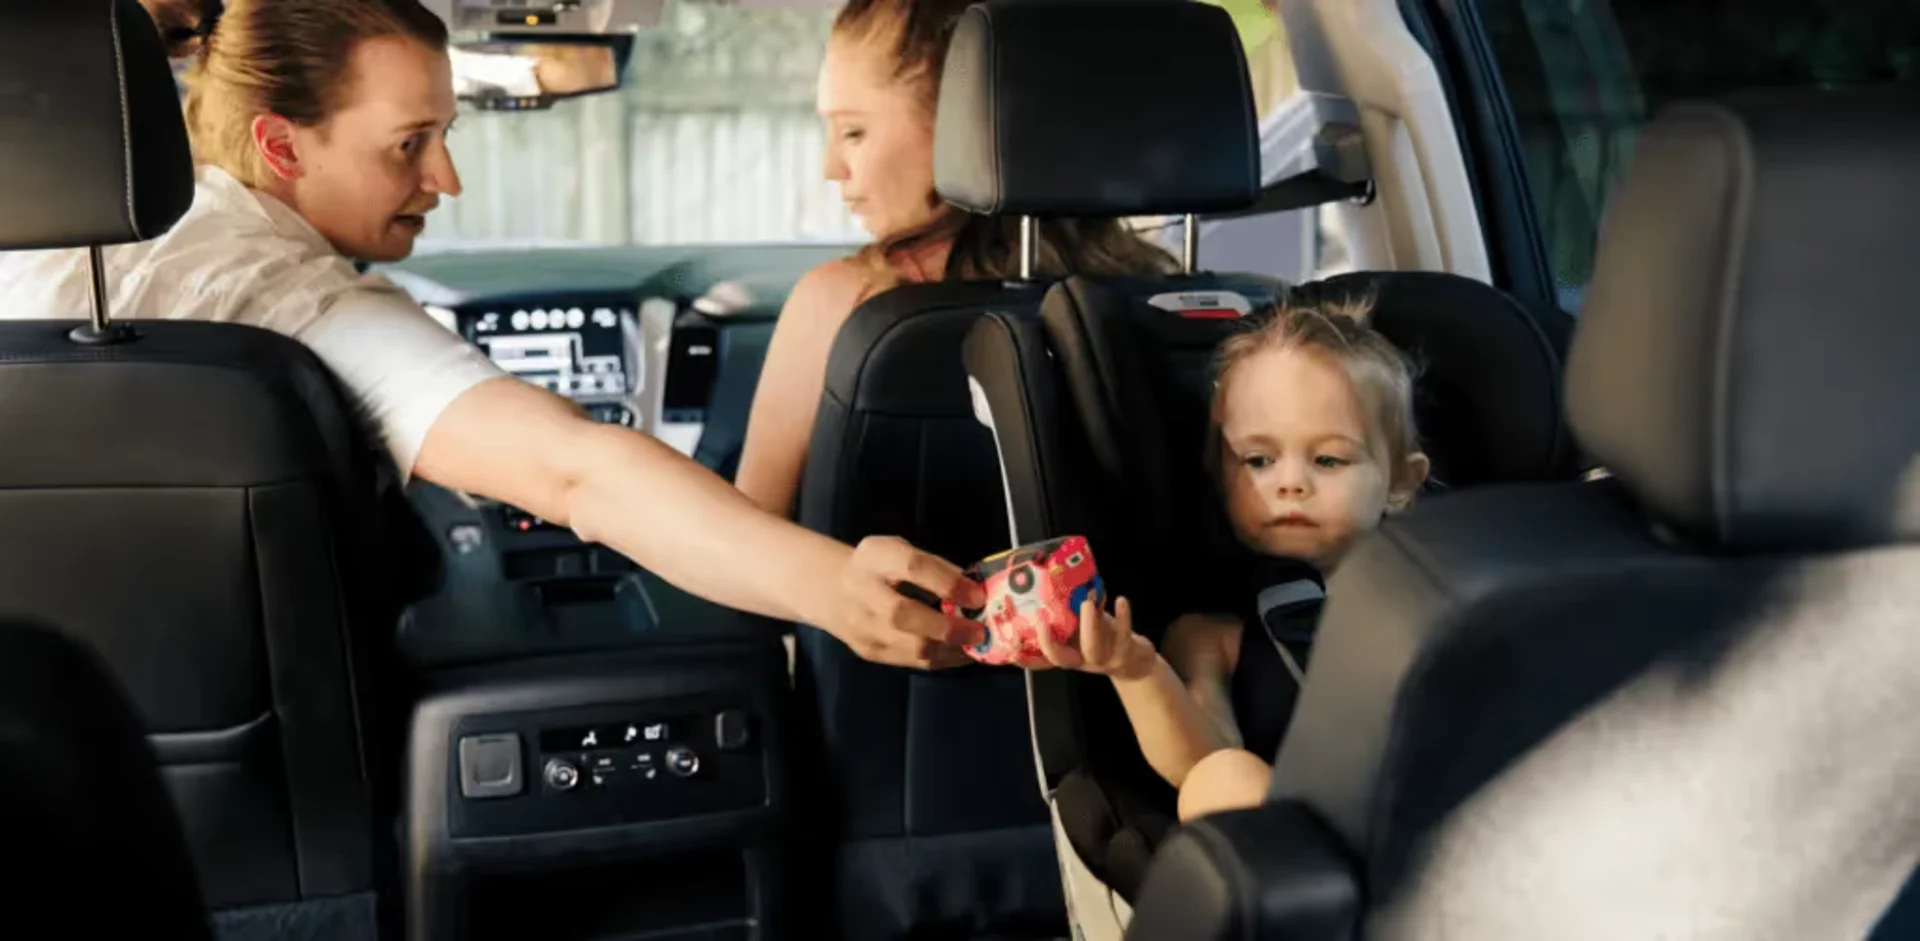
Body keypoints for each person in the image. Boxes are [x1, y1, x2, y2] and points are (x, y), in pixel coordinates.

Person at [0, 0, 984, 670]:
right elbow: (576, 474)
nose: (447, 180)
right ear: (281, 144)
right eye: (410, 144)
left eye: (447, 136)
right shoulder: (295, 303)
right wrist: (832, 585)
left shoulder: (29, 273)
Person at [732, 0, 1178, 519]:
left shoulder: (844, 303)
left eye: (853, 132)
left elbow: (742, 548)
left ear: (961, 127)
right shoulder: (1166, 303)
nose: (832, 168)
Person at [1034, 299, 1430, 821]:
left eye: (1328, 459)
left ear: (1402, 482)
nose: (1291, 483)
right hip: (1301, 842)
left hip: (1445, 817)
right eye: (1258, 461)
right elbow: (1197, 762)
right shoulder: (1211, 635)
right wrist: (1136, 671)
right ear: (1221, 477)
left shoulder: (1432, 596)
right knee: (1220, 778)